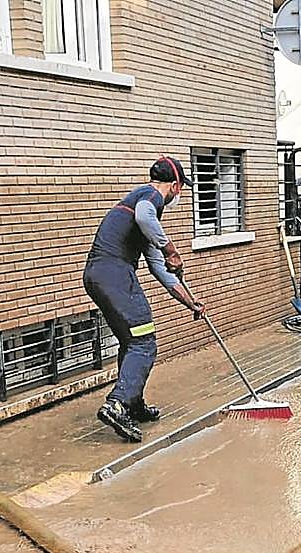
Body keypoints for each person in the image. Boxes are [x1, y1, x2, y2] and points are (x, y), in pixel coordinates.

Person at [84, 156, 206, 443]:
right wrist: (171, 249)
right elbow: (144, 217)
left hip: (98, 276)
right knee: (144, 341)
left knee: (131, 341)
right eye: (180, 189)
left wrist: (191, 302)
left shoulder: (147, 218)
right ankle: (117, 404)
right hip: (114, 275)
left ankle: (133, 404)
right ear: (175, 186)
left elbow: (158, 268)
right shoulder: (149, 196)